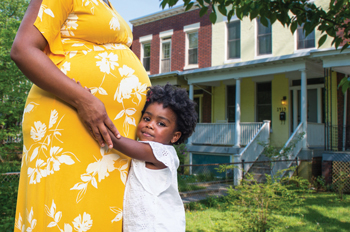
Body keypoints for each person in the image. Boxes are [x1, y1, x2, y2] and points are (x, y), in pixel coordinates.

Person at [10, 0, 150, 231]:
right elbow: (23, 49)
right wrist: (84, 101)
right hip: (70, 118)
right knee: (67, 210)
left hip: (109, 136)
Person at [106, 84, 198, 232]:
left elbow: (117, 142)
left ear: (175, 136)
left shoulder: (163, 153)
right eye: (147, 118)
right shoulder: (144, 150)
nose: (150, 125)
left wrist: (94, 115)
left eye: (161, 123)